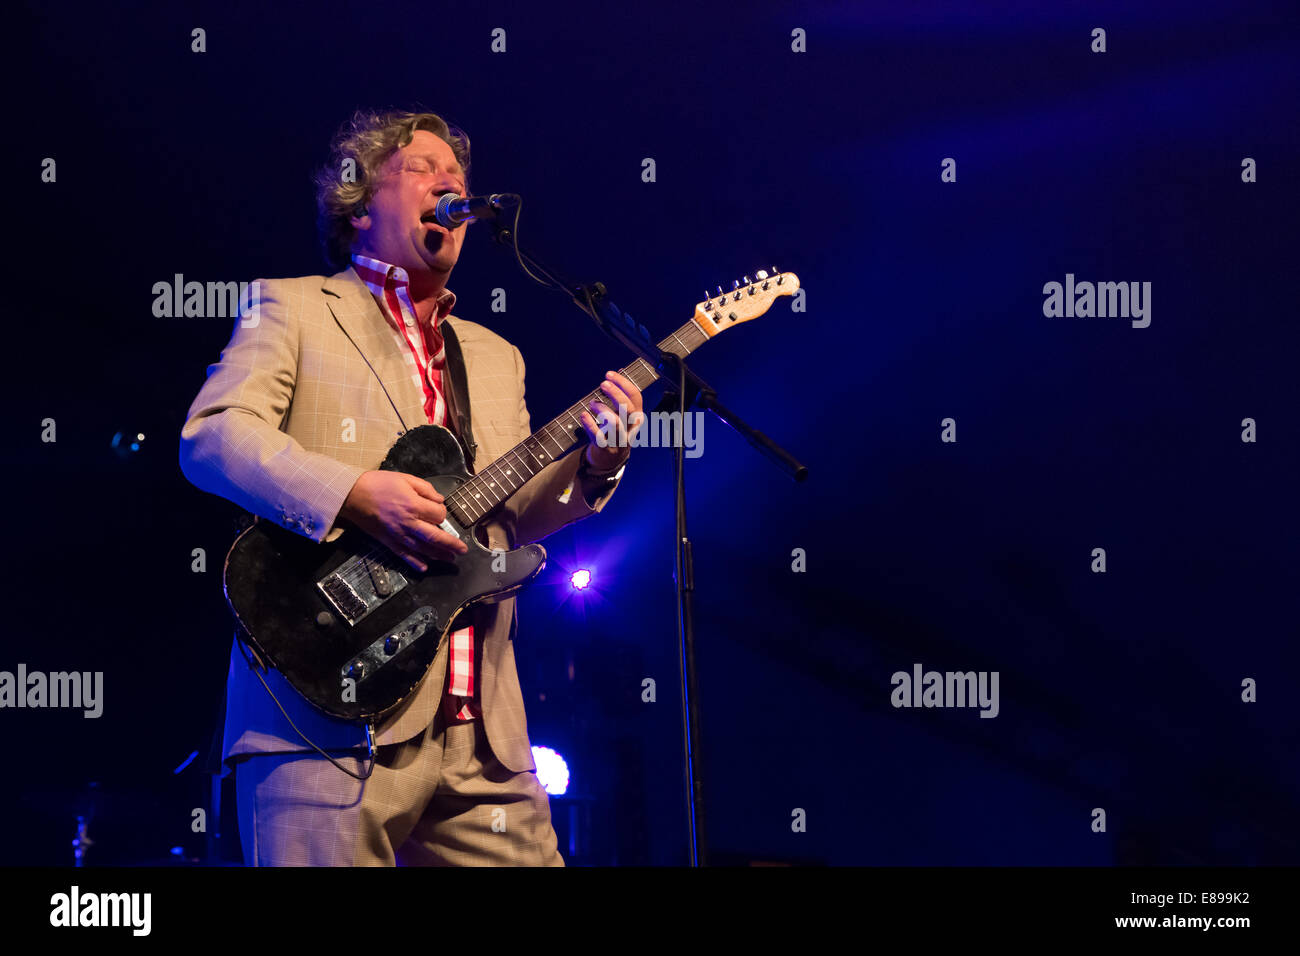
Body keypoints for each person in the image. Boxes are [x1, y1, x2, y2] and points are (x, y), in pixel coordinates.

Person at [179, 109, 644, 866]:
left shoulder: (497, 356)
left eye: (457, 176)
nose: (450, 182)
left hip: (483, 731)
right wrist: (355, 491)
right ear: (359, 203)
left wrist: (596, 467)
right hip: (327, 717)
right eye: (422, 168)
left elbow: (509, 522)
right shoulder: (293, 306)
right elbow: (213, 436)